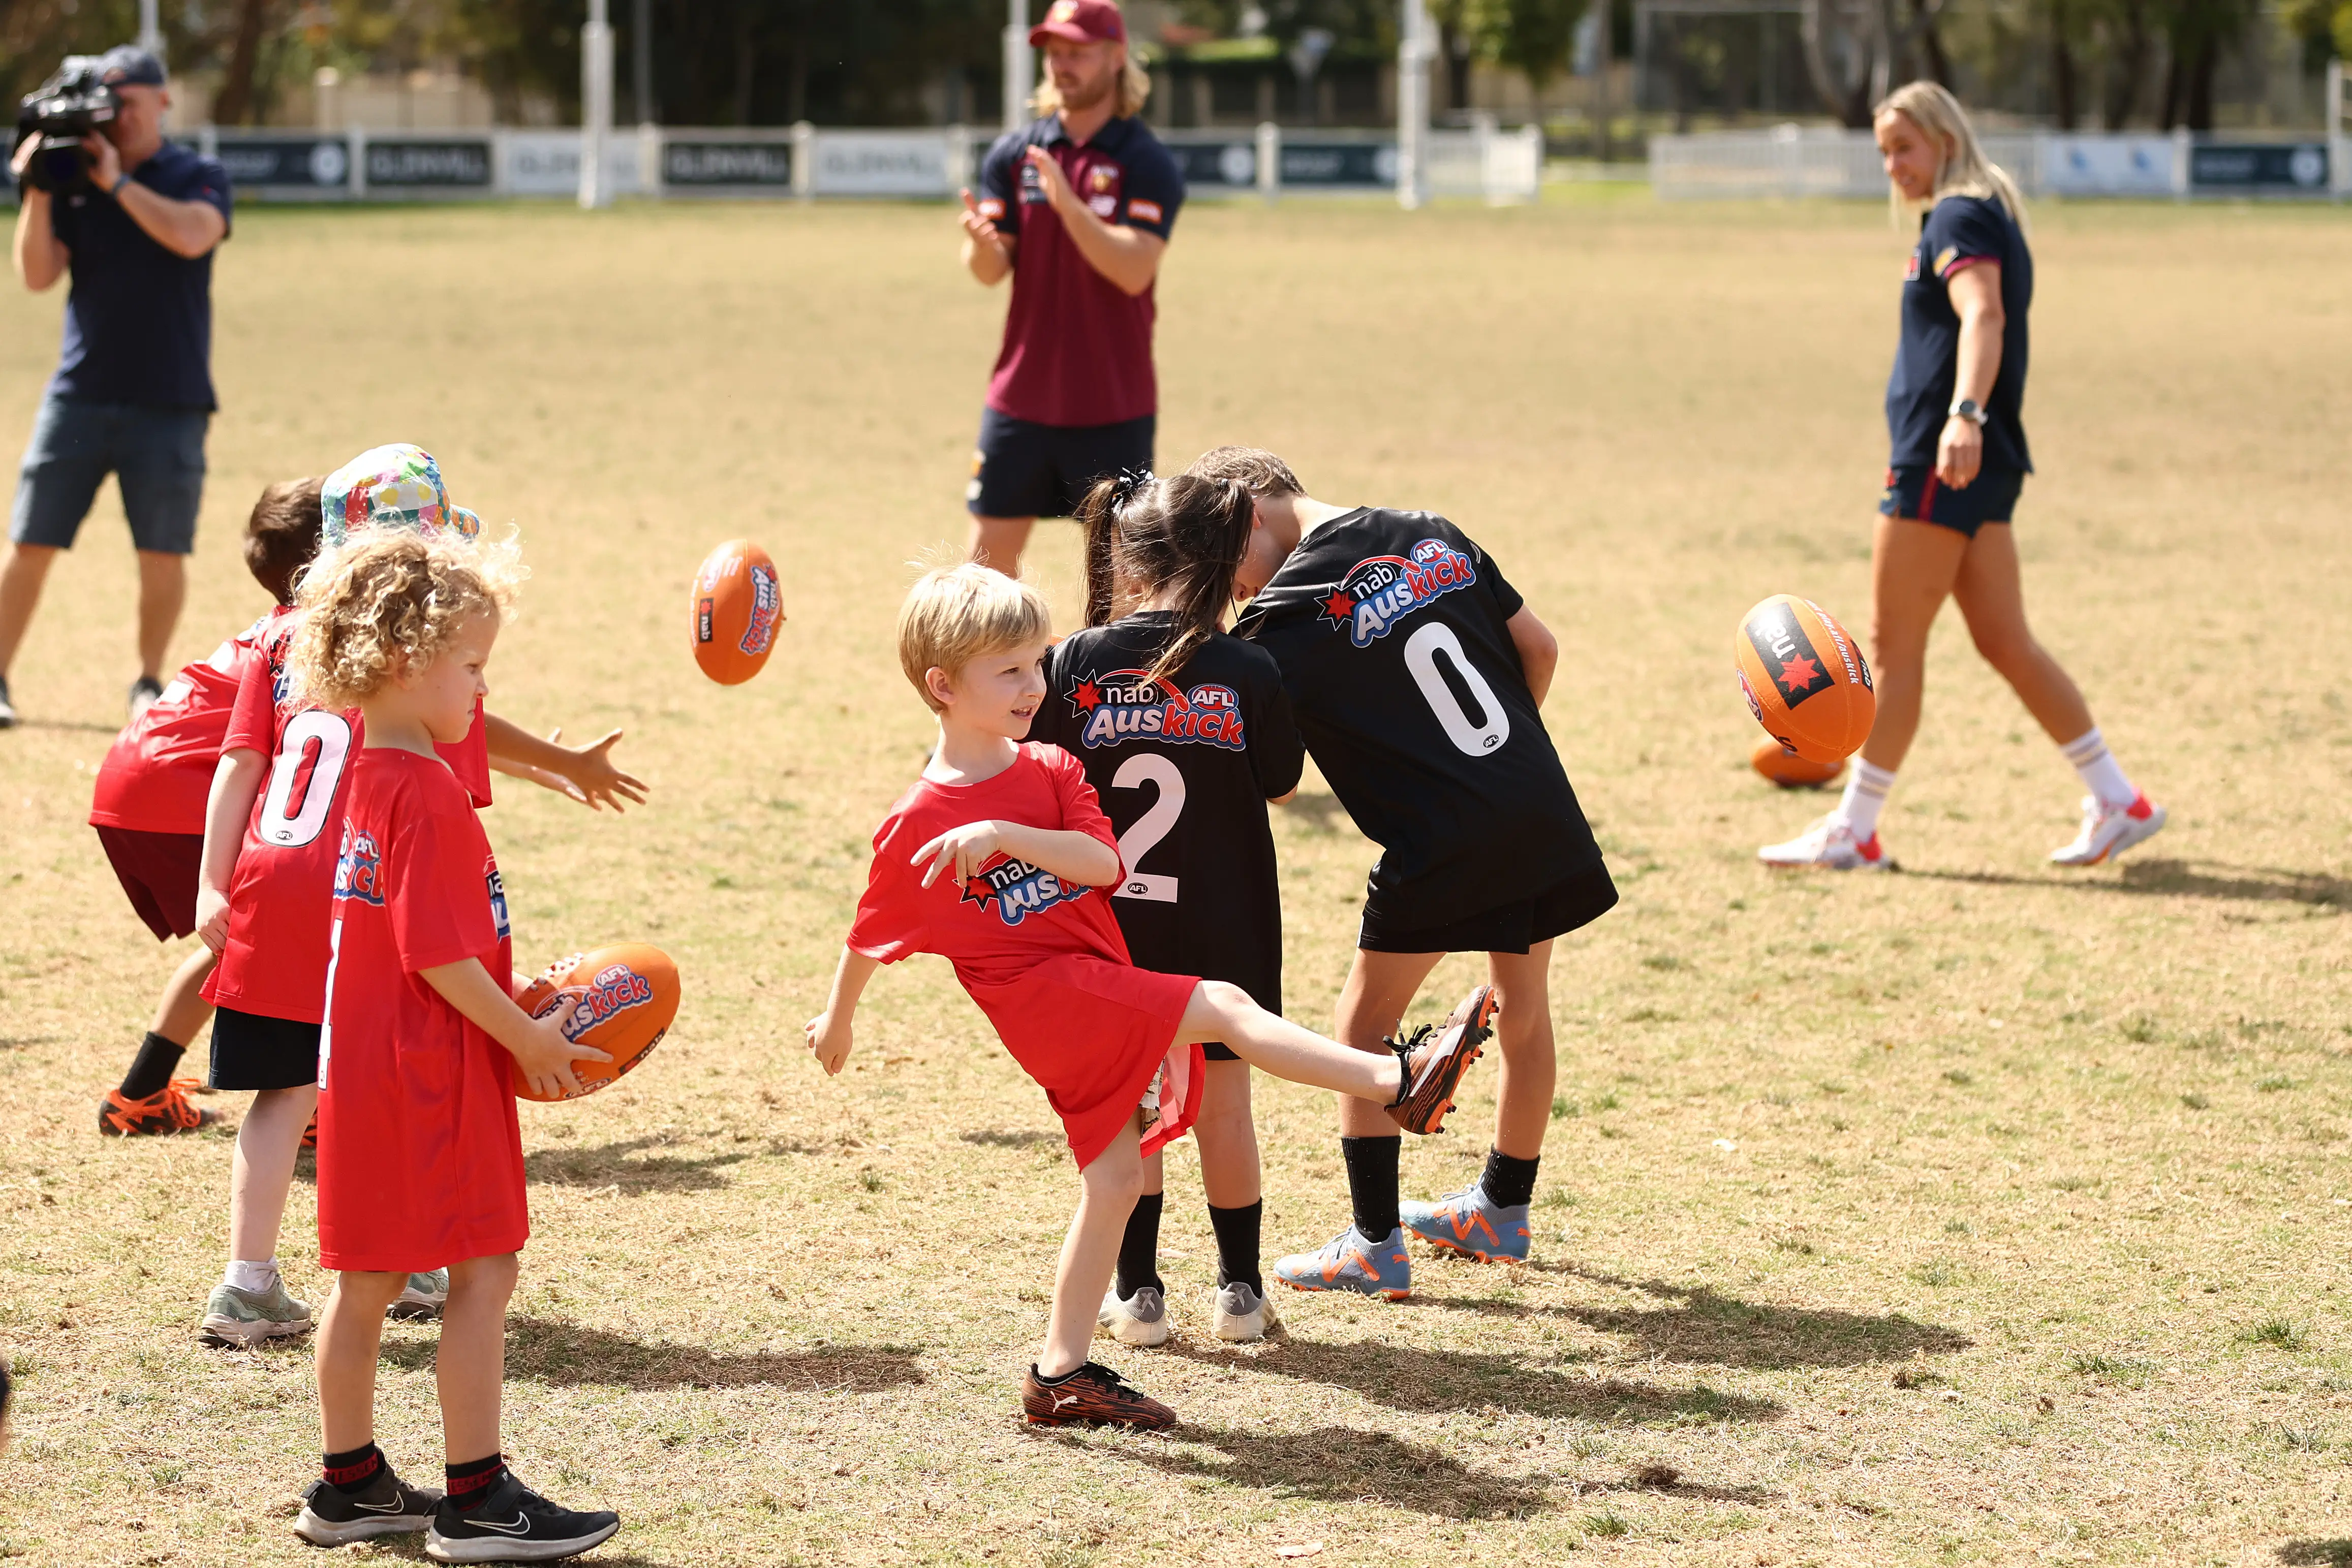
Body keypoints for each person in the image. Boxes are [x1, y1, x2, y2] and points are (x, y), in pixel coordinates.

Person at [804, 562, 1497, 1428]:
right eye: (1008, 670)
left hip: (1094, 984)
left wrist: (1003, 833)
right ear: (942, 688)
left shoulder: (1053, 767)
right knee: (1223, 1008)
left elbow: (1104, 865)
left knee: (1115, 1178)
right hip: (1046, 1000)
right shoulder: (917, 817)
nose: (1033, 684)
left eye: (1035, 663)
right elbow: (872, 927)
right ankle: (1399, 1082)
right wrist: (838, 1018)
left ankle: (1058, 1374)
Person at [190, 446, 644, 1353]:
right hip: (359, 895)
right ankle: (408, 1258)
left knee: (282, 1092)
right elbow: (458, 770)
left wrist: (213, 876)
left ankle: (247, 1280)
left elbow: (241, 761)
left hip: (269, 876)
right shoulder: (416, 674)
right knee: (386, 1076)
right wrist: (558, 765)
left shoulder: (291, 636)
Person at [1192, 445, 1619, 1298]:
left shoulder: (1277, 620)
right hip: (1531, 803)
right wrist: (1496, 768)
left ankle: (1373, 1241)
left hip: (1440, 840)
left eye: (1220, 562)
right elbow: (1538, 647)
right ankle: (1501, 1209)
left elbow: (1273, 778)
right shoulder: (1431, 531)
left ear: (1246, 510)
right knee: (1524, 1010)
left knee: (1360, 1029)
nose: (1230, 589)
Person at [288, 526, 620, 1560]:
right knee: (485, 1270)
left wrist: (518, 990)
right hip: (432, 1075)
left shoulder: (372, 775)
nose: (482, 689)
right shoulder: (428, 789)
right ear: (402, 660)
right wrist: (525, 1036)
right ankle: (478, 1499)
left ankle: (349, 1486)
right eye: (473, 667)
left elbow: (410, 944)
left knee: (367, 1285)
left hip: (364, 1074)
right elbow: (434, 957)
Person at [1761, 85, 2165, 872]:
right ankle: (2119, 799)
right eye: (1883, 152)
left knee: (1892, 645)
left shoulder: (1960, 215)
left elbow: (1984, 315)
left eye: (1904, 147)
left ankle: (1855, 830)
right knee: (2005, 641)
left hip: (1945, 459)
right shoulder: (1976, 213)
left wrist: (1964, 415)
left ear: (1945, 139)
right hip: (1978, 462)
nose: (1892, 165)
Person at [1028, 472, 1304, 1346]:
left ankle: (1139, 1294)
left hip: (1112, 926)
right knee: (1225, 1106)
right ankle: (1239, 1294)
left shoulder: (1077, 659)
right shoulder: (1249, 666)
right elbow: (1282, 783)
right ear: (1231, 559)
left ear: (1128, 558)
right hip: (1227, 919)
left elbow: (1038, 780)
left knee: (1132, 1105)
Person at [4, 46, 232, 728]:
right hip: (80, 393)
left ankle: (146, 680)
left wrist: (116, 185)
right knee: (30, 541)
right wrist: (41, 189)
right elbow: (38, 275)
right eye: (106, 106)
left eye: (127, 104)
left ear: (163, 101)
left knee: (161, 551)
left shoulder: (197, 175)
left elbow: (193, 237)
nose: (116, 118)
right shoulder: (71, 176)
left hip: (171, 398)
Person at [956, 0, 1184, 575]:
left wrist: (1069, 205)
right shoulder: (1015, 155)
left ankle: (1110, 673)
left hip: (1112, 403)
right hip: (1021, 399)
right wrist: (982, 245)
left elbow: (1133, 268)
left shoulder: (1145, 161)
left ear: (1115, 57)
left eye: (1076, 52)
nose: (1062, 65)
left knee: (1129, 579)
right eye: (1054, 53)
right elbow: (989, 270)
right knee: (986, 569)